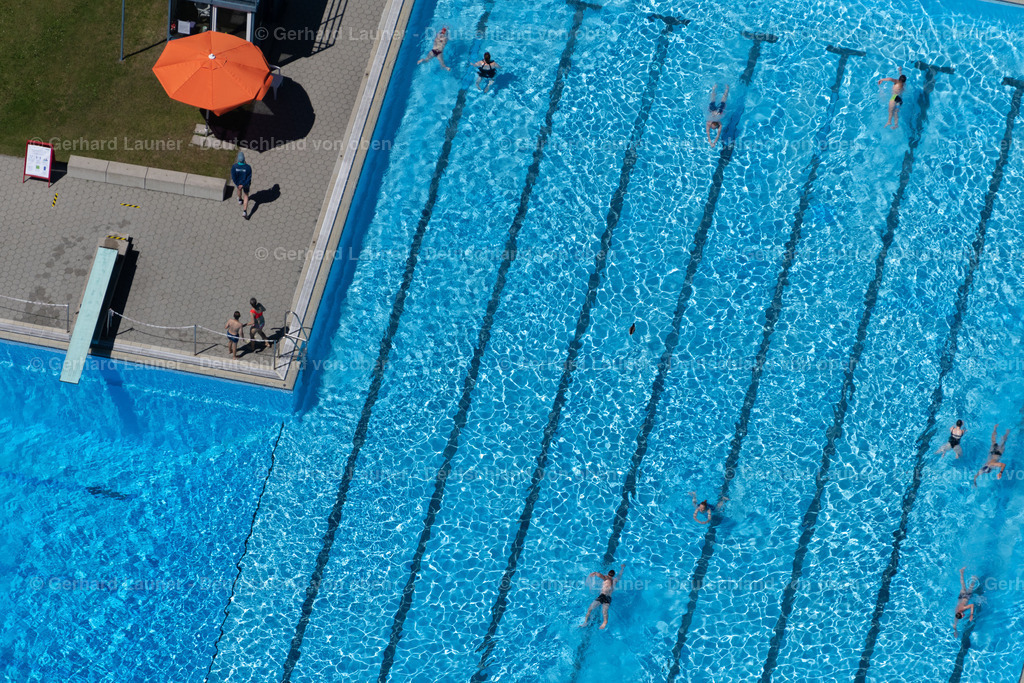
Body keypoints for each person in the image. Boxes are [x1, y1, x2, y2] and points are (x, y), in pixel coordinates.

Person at [579, 564, 625, 630]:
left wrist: (595, 573)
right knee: (604, 612)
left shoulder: (606, 578)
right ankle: (604, 622)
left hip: (602, 596)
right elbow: (620, 575)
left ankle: (585, 622)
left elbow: (600, 575)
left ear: (608, 574)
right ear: (613, 575)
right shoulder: (615, 580)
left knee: (590, 609)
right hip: (608, 598)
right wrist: (622, 568)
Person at [953, 566, 978, 636]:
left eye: (962, 615)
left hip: (966, 597)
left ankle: (974, 578)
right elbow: (954, 625)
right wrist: (955, 631)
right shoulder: (956, 614)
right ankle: (961, 572)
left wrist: (971, 614)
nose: (963, 615)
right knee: (963, 585)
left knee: (971, 587)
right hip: (961, 597)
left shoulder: (962, 609)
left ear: (960, 613)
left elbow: (971, 605)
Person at [231, 152, 253, 219]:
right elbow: (249, 177)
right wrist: (244, 184)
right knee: (246, 195)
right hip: (246, 184)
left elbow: (233, 177)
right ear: (244, 159)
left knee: (239, 189)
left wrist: (238, 184)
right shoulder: (248, 167)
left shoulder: (234, 167)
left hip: (238, 183)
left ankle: (240, 200)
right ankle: (244, 211)